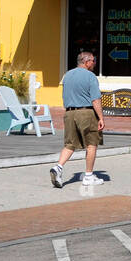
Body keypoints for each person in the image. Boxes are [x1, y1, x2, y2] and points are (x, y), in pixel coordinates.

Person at [50, 51, 105, 188]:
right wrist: (101, 118)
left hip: (69, 113)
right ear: (86, 62)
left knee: (70, 144)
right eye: (93, 60)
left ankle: (58, 167)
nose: (94, 63)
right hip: (86, 113)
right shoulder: (90, 76)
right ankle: (88, 176)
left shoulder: (67, 75)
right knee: (92, 144)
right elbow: (95, 99)